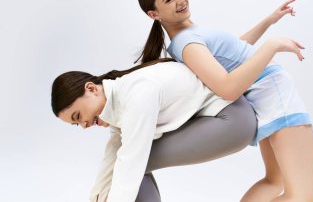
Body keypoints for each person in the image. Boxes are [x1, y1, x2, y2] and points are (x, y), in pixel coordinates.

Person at [137, 0, 313, 202]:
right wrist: (272, 46)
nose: (181, 0)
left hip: (270, 98)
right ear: (154, 14)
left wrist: (268, 21)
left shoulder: (188, 37)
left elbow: (235, 53)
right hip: (277, 98)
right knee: (304, 197)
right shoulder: (187, 43)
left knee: (274, 181)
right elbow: (227, 88)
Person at [51, 58, 258, 202]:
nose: (84, 125)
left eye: (78, 116)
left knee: (134, 165)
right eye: (76, 124)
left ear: (91, 89)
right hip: (223, 116)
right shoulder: (118, 101)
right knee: (126, 164)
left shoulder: (135, 95)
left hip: (233, 120)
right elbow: (112, 154)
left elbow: (129, 163)